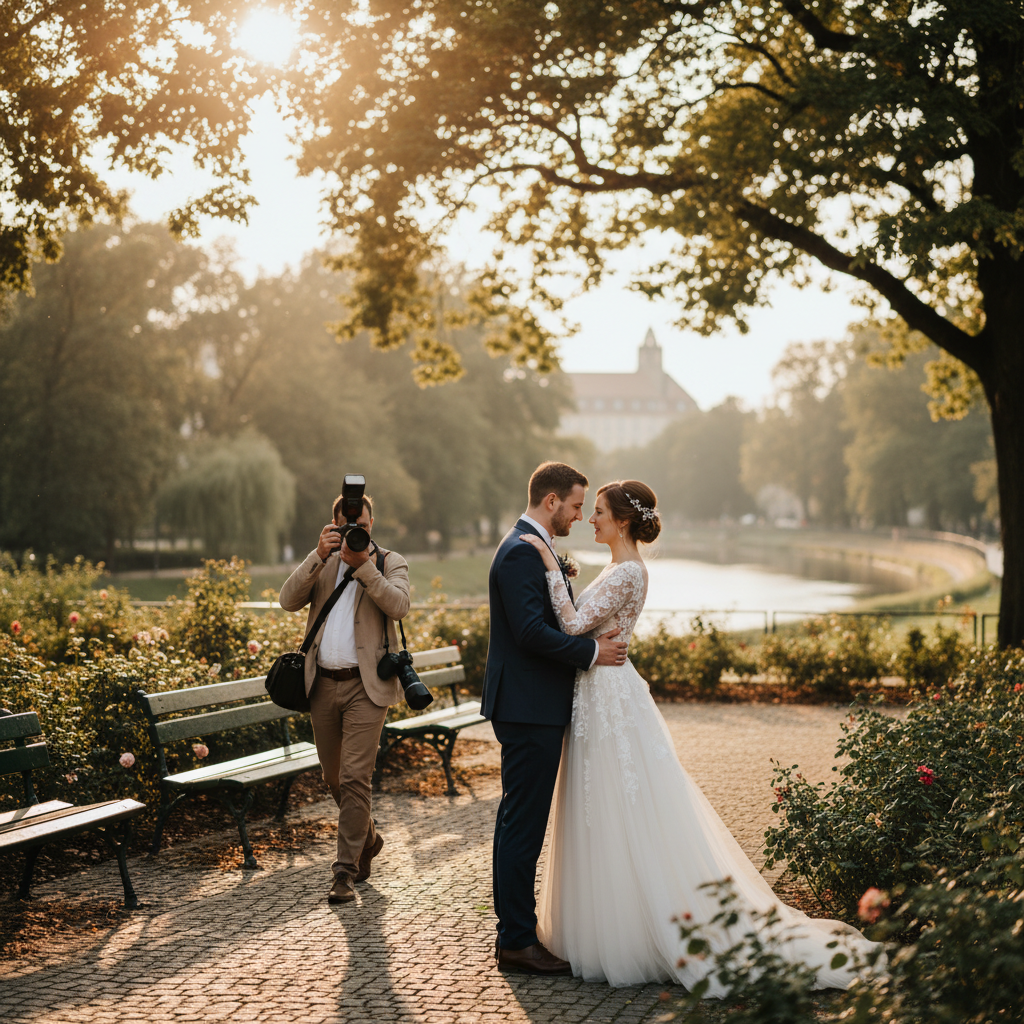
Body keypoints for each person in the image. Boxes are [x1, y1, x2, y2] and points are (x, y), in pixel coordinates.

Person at [520, 479, 881, 991]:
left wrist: (545, 560)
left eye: (597, 511)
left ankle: (636, 931)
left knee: (624, 803)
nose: (590, 519)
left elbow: (575, 622)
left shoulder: (627, 572)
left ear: (622, 521)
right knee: (600, 802)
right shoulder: (619, 568)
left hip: (611, 698)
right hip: (600, 693)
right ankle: (600, 923)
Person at [482, 461, 630, 975]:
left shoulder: (528, 547)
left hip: (529, 704)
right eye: (573, 505)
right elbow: (528, 632)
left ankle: (514, 934)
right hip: (527, 707)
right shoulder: (523, 552)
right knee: (523, 825)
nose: (577, 515)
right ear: (551, 502)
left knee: (517, 821)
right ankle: (517, 941)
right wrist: (590, 652)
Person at [279, 490, 410, 905]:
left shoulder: (390, 562)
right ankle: (367, 838)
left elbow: (399, 605)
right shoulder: (324, 560)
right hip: (321, 684)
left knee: (355, 778)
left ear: (373, 526)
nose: (356, 533)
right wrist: (317, 555)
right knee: (334, 778)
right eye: (347, 527)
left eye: (363, 527)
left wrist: (365, 567)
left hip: (365, 688)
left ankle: (343, 872)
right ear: (335, 527)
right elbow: (287, 600)